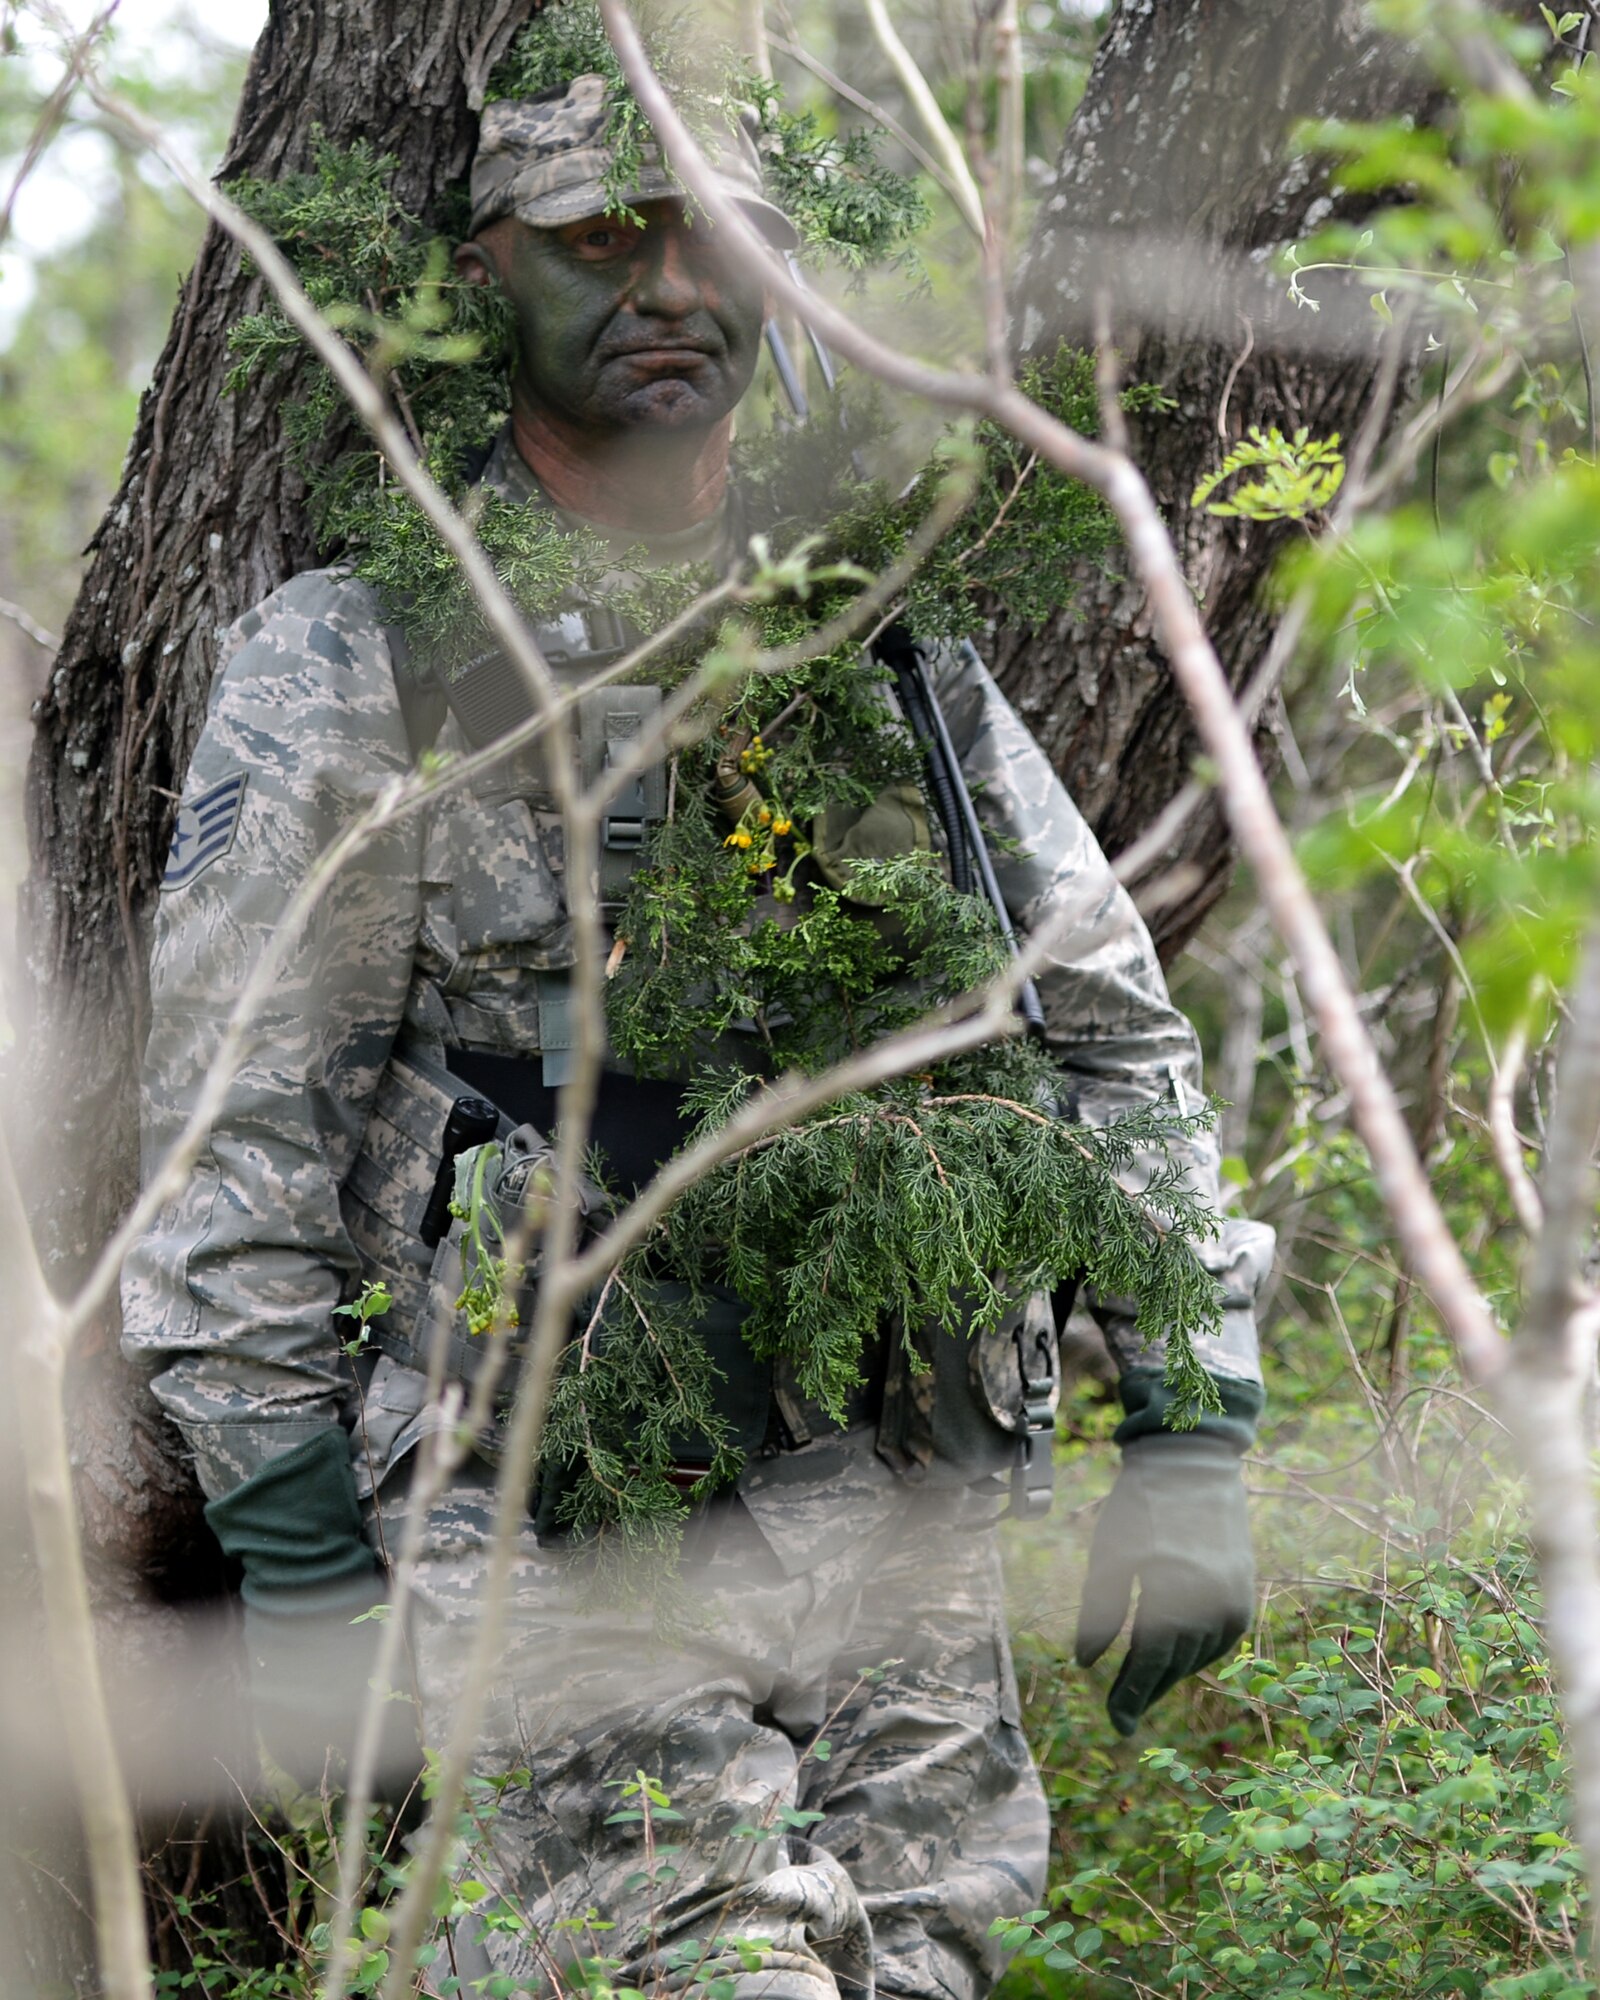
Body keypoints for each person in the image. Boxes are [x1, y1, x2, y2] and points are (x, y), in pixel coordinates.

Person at [121, 69, 1272, 2000]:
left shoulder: (884, 639)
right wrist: (291, 1529)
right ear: (488, 271)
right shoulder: (361, 655)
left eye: (711, 244)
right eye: (595, 241)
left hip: (893, 1484)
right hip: (541, 1499)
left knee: (930, 1959)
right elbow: (230, 1121)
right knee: (677, 1961)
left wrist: (1195, 1422)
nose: (663, 286)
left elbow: (1104, 1028)